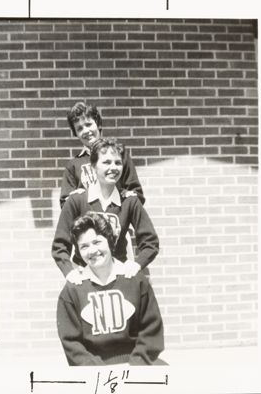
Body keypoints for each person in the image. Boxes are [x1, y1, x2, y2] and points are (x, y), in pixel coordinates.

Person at [56, 212, 164, 366]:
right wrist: (98, 372)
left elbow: (152, 331)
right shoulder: (73, 289)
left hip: (135, 366)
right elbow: (72, 343)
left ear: (109, 241)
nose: (92, 251)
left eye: (97, 242)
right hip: (94, 372)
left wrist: (135, 367)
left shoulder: (134, 280)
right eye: (84, 246)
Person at [52, 138, 159, 284]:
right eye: (107, 162)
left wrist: (136, 264)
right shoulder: (77, 201)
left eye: (118, 163)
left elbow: (150, 242)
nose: (113, 168)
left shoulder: (129, 201)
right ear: (94, 166)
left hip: (119, 276)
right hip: (85, 277)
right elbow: (59, 245)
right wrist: (70, 272)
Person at [60, 101, 144, 208]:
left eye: (88, 124)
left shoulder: (118, 154)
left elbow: (136, 194)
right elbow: (65, 203)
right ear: (76, 134)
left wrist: (124, 199)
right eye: (80, 128)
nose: (86, 131)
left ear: (98, 124)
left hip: (116, 218)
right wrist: (77, 199)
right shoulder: (73, 165)